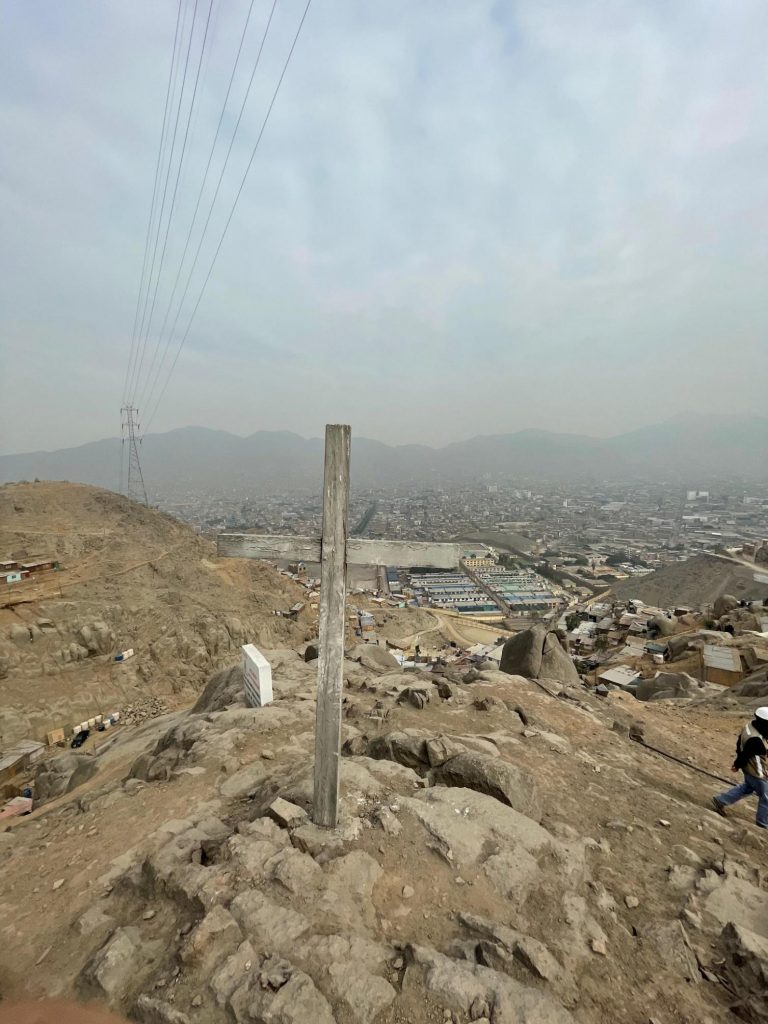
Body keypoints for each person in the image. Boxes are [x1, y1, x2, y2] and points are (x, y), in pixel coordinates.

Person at [712, 706, 768, 829]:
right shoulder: (756, 741)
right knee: (766, 797)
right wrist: (737, 764)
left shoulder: (750, 726)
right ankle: (763, 823)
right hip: (758, 773)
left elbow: (740, 745)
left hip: (749, 770)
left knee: (747, 787)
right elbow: (746, 754)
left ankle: (720, 800)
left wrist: (738, 764)